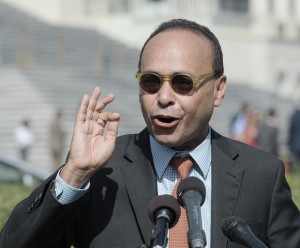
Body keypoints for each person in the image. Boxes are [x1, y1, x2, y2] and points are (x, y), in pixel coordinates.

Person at [1, 19, 299, 248]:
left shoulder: (261, 173)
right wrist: (74, 175)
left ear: (218, 89)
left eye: (182, 83)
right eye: (151, 81)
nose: (164, 97)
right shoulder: (101, 172)